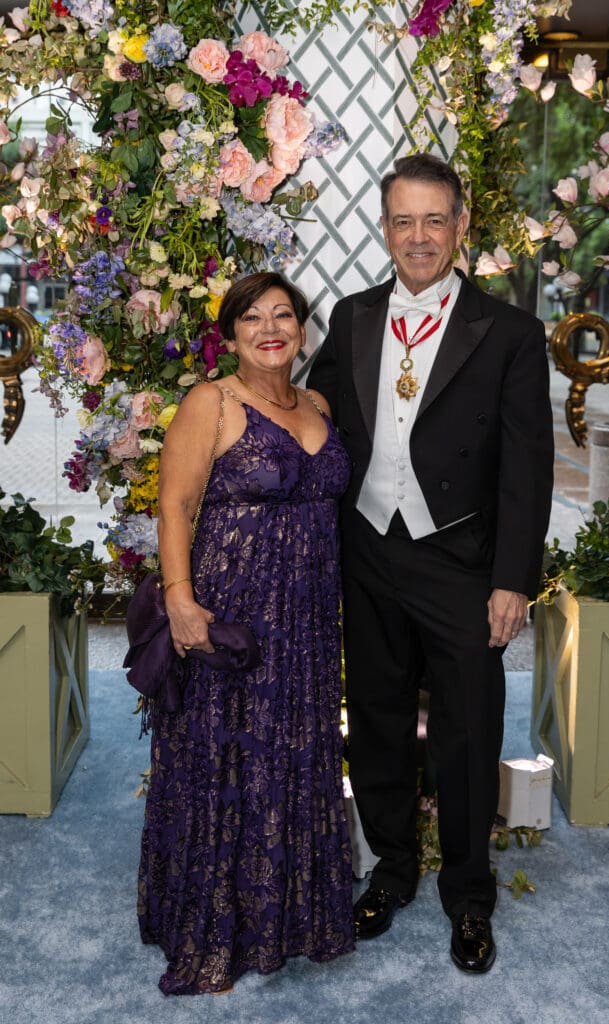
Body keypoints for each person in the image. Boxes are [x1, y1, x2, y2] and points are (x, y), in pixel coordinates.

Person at [307, 153, 554, 974]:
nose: (418, 237)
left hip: (460, 558)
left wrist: (512, 578)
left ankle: (469, 895)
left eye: (433, 220)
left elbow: (526, 465)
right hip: (368, 547)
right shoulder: (350, 317)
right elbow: (313, 419)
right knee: (375, 719)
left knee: (465, 728)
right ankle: (391, 870)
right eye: (402, 221)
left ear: (460, 227)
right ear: (385, 229)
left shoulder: (509, 331)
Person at [138, 271, 355, 995]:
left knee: (294, 754)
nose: (271, 328)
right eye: (252, 317)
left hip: (308, 624)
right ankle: (216, 928)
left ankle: (291, 917)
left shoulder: (317, 402)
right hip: (235, 616)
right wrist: (179, 600)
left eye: (284, 315)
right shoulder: (211, 401)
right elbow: (174, 505)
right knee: (227, 759)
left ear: (301, 329)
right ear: (228, 335)